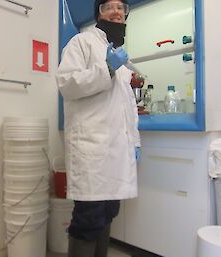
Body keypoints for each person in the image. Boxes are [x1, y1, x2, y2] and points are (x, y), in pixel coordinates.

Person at [55, 0, 141, 256]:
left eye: (121, 7)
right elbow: (67, 84)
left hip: (117, 151)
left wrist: (134, 142)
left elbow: (128, 108)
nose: (116, 11)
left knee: (108, 213)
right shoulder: (81, 42)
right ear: (98, 14)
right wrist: (106, 68)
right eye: (109, 6)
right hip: (92, 148)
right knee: (88, 220)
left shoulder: (121, 56)